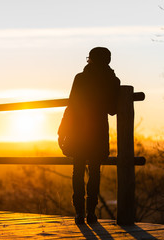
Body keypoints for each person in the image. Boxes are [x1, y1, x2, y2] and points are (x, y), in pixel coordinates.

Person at [58, 47, 120, 224]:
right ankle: (91, 213)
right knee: (94, 172)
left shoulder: (80, 78)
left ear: (90, 60)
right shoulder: (112, 80)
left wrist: (62, 130)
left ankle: (79, 213)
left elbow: (71, 105)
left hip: (78, 130)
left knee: (77, 171)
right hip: (98, 131)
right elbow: (113, 111)